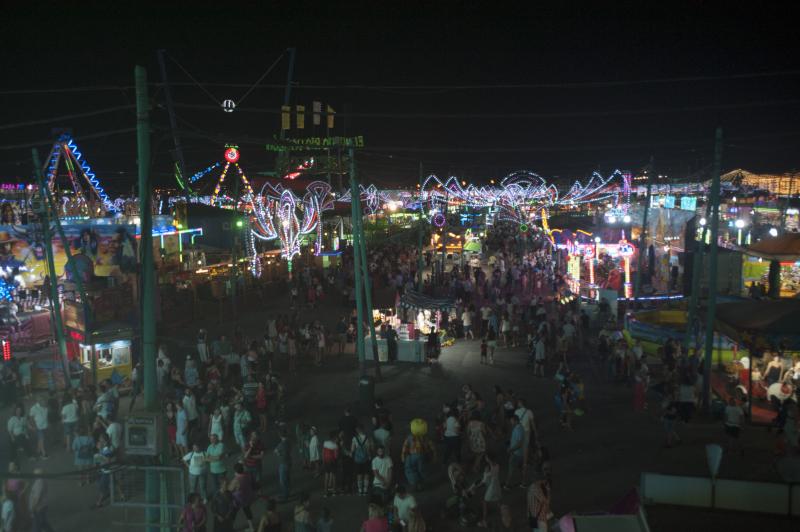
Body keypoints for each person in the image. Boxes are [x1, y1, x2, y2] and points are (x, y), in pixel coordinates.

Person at [475, 453, 502, 528]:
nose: (485, 458)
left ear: (489, 459)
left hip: (492, 488)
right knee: (498, 501)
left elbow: (484, 481)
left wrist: (476, 486)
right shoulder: (497, 465)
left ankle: (484, 521)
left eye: (487, 458)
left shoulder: (489, 468)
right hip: (497, 486)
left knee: (485, 502)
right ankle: (503, 514)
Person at [230, 463, 255, 532]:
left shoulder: (236, 480)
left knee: (233, 513)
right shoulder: (247, 475)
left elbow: (230, 489)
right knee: (247, 511)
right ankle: (251, 527)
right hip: (247, 497)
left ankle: (230, 527)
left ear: (235, 471)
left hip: (238, 499)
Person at [503, 415, 524, 489]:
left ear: (516, 420)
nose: (511, 422)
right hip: (519, 453)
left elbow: (519, 443)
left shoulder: (518, 429)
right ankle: (522, 482)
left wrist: (511, 449)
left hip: (516, 453)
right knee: (520, 468)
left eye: (512, 421)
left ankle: (507, 484)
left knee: (511, 469)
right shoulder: (518, 427)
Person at [351, 424, 373, 495]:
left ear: (357, 430)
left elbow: (353, 449)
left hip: (357, 460)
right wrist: (369, 455)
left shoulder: (354, 438)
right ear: (363, 429)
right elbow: (369, 449)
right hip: (366, 459)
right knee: (366, 474)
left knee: (359, 474)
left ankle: (360, 490)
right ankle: (365, 490)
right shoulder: (367, 438)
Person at [274, 429, 292, 502]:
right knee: (287, 479)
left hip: (284, 464)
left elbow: (276, 451)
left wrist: (278, 453)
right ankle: (287, 493)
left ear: (280, 436)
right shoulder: (288, 442)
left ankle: (285, 496)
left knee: (283, 481)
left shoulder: (281, 444)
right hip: (289, 462)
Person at [321, 431, 339, 497]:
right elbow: (336, 456)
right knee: (334, 476)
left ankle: (325, 492)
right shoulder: (335, 445)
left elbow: (322, 453)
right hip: (332, 462)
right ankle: (334, 491)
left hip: (326, 461)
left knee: (326, 476)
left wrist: (323, 461)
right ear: (334, 437)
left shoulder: (325, 443)